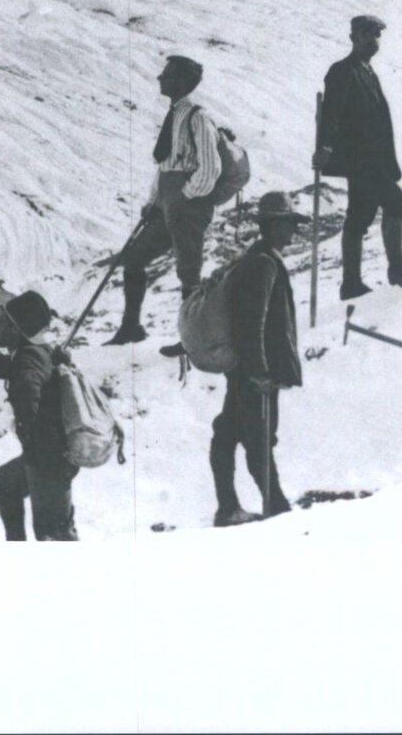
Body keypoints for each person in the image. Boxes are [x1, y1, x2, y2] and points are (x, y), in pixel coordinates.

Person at [108, 54, 222, 351]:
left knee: (189, 270)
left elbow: (211, 168)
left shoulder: (198, 117)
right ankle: (131, 327)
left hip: (190, 205)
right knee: (134, 259)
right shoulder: (175, 115)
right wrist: (155, 200)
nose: (160, 78)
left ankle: (192, 339)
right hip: (169, 204)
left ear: (182, 81)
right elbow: (166, 166)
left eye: (167, 75)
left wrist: (185, 196)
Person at [211, 190, 303, 526]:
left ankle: (229, 507)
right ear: (273, 226)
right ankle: (276, 509)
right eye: (289, 224)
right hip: (255, 375)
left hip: (244, 371)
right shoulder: (264, 264)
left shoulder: (256, 259)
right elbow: (253, 323)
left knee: (227, 434)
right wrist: (260, 372)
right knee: (259, 440)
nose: (293, 232)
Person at [316, 14, 402, 298]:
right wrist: (326, 147)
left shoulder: (366, 71)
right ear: (353, 37)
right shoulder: (342, 71)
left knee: (359, 214)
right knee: (392, 202)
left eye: (376, 35)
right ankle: (393, 269)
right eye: (367, 34)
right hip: (359, 159)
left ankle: (352, 282)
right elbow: (331, 113)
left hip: (373, 159)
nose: (373, 40)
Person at [0, 290, 79, 542]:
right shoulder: (37, 350)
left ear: (17, 329)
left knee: (54, 535)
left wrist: (28, 431)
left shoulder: (28, 359)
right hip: (51, 455)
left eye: (4, 324)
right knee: (3, 483)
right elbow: (10, 367)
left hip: (49, 461)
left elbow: (27, 384)